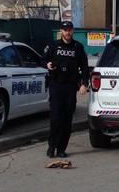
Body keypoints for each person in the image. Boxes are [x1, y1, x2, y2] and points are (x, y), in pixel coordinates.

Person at [40, 21, 89, 158]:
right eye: (65, 30)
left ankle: (62, 149)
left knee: (67, 118)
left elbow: (84, 67)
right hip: (56, 84)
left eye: (70, 30)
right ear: (61, 31)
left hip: (70, 86)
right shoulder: (53, 45)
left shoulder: (77, 47)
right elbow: (42, 60)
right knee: (56, 117)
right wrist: (47, 64)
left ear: (73, 31)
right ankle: (52, 147)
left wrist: (84, 84)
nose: (67, 32)